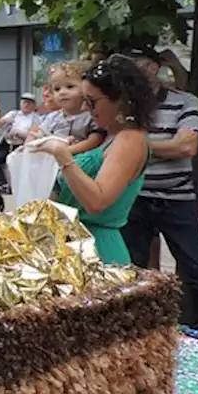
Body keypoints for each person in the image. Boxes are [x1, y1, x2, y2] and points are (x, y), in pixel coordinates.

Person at [119, 47, 198, 331]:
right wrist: (163, 147)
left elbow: (187, 146)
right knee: (130, 272)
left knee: (195, 268)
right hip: (135, 197)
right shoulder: (125, 106)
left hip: (177, 199)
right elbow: (110, 145)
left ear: (153, 68)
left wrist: (137, 146)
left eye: (141, 66)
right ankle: (136, 333)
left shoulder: (185, 101)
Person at [32, 55, 152, 266]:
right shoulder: (111, 137)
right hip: (79, 246)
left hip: (99, 251)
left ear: (120, 100)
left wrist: (63, 156)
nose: (86, 108)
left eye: (92, 101)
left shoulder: (129, 140)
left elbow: (97, 202)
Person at [30, 61, 102, 155]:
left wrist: (67, 151)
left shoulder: (91, 116)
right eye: (57, 89)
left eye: (70, 86)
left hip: (79, 163)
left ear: (86, 87)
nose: (62, 92)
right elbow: (40, 136)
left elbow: (95, 141)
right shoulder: (52, 118)